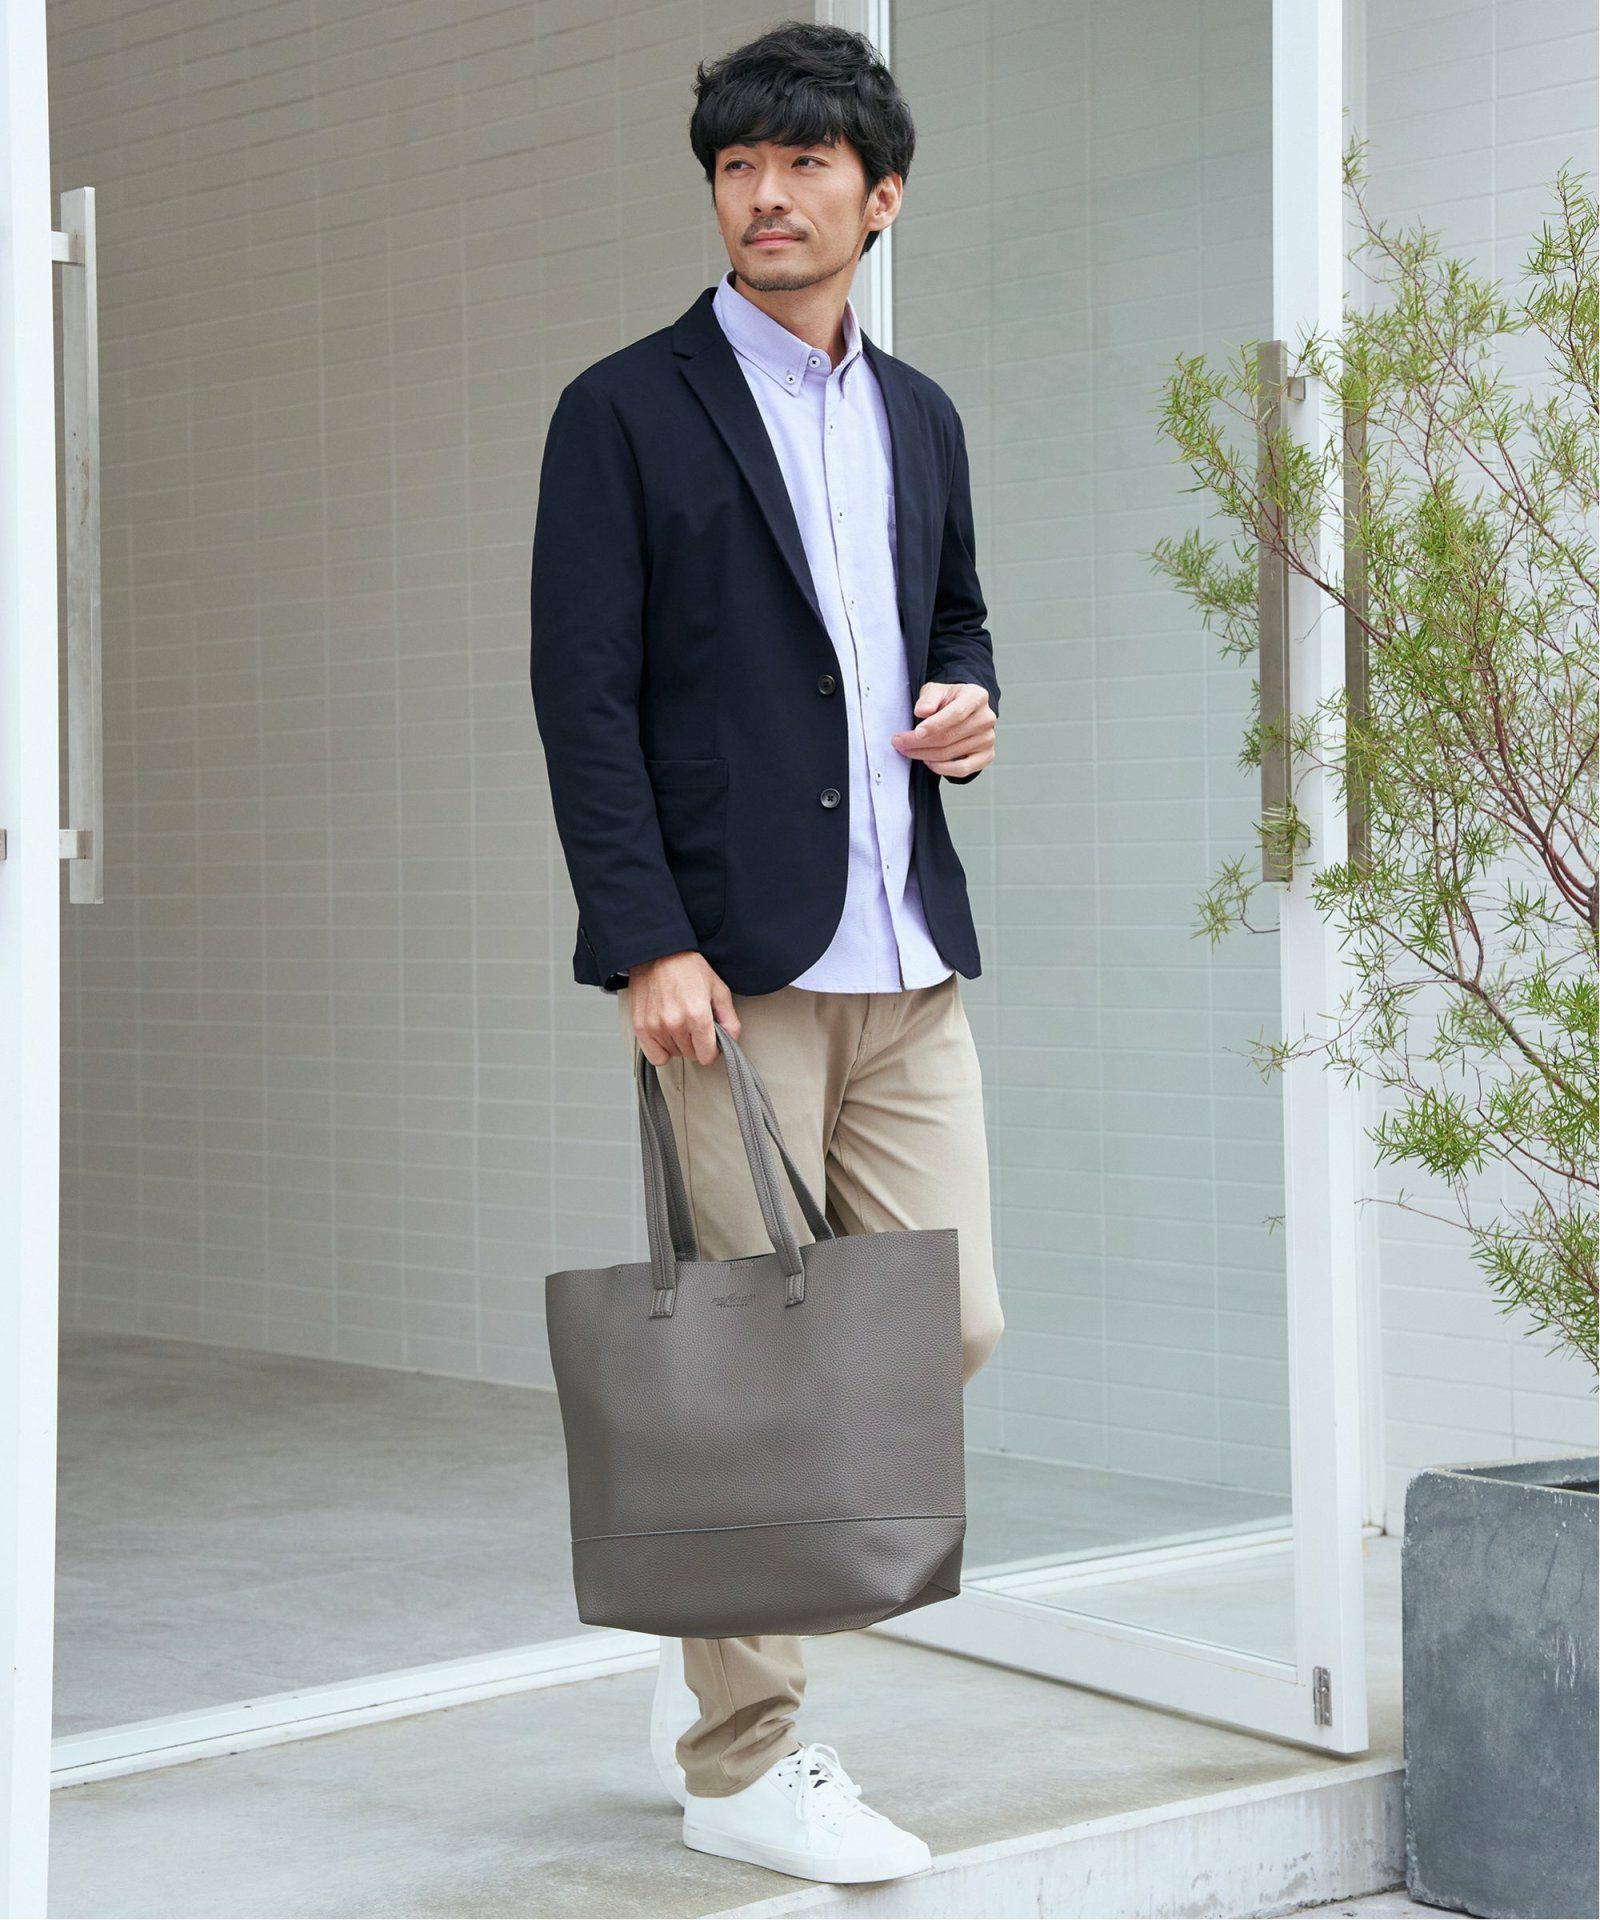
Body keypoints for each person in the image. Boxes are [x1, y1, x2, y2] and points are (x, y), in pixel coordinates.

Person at [529, 17, 1004, 1887]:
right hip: (728, 973)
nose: (768, 195)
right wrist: (646, 939)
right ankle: (743, 1756)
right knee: (750, 1358)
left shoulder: (921, 415)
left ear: (881, 199)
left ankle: (708, 1623)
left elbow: (952, 614)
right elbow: (583, 699)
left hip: (907, 952)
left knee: (945, 1323)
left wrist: (967, 704)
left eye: (807, 164)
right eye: (740, 167)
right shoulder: (625, 410)